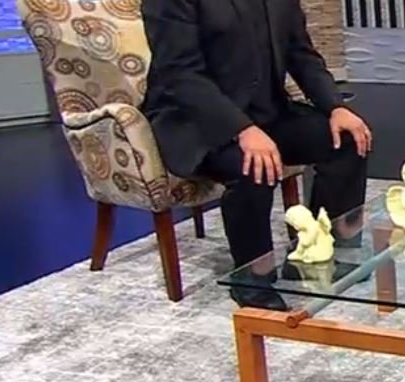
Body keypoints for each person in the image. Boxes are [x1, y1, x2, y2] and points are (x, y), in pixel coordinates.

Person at [141, 0, 372, 308]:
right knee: (252, 165)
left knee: (348, 139)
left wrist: (335, 106)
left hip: (268, 114)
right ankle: (252, 281)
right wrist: (241, 128)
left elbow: (300, 54)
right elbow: (180, 75)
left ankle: (320, 254)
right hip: (196, 122)